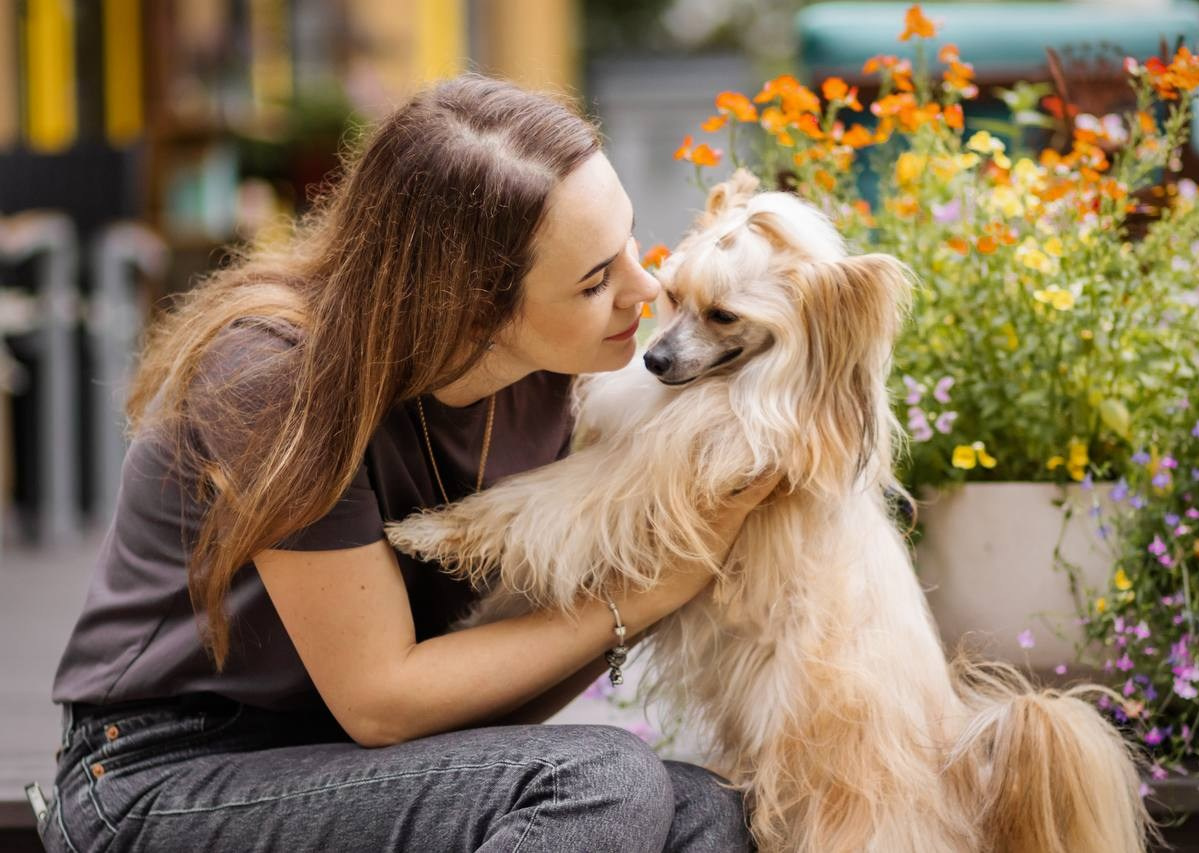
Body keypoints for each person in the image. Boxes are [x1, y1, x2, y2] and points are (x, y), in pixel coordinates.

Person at [43, 74, 776, 852]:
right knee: (602, 778)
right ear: (467, 306)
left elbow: (464, 701)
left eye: (629, 241)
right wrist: (640, 596)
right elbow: (382, 700)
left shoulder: (558, 385)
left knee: (708, 808)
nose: (646, 285)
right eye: (596, 280)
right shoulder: (278, 377)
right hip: (161, 773)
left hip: (353, 762)